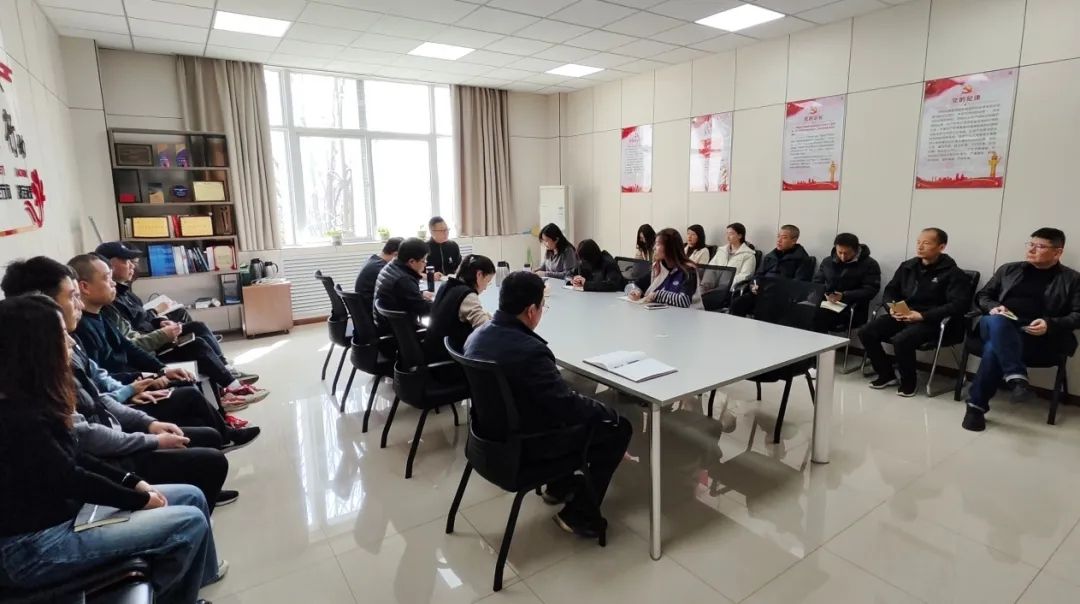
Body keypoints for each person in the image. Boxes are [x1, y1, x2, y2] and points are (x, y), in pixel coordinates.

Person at [0, 295, 224, 604]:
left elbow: (75, 456)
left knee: (191, 495)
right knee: (189, 522)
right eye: (61, 335)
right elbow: (69, 477)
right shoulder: (15, 416)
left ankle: (199, 584)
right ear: (34, 348)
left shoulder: (37, 398)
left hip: (68, 513)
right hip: (33, 546)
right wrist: (136, 499)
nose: (71, 341)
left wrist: (134, 483)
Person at [0, 256, 259, 451]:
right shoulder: (50, 357)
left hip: (124, 394)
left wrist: (156, 373)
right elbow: (91, 414)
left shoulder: (89, 324)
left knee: (190, 373)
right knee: (191, 392)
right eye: (72, 296)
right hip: (118, 412)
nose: (78, 304)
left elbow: (113, 366)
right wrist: (135, 388)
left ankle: (220, 430)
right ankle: (218, 434)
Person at [464, 271, 631, 538]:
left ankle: (559, 485)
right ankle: (580, 515)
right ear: (531, 310)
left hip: (487, 441)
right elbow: (566, 406)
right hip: (523, 448)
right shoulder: (530, 351)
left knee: (560, 406)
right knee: (618, 428)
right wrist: (608, 413)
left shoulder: (476, 337)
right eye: (543, 306)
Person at [68, 255, 265, 410]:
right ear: (84, 287)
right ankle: (225, 403)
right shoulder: (86, 326)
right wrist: (150, 374)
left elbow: (129, 345)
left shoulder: (103, 313)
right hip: (131, 377)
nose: (113, 283)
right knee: (194, 358)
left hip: (140, 364)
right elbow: (106, 374)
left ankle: (225, 393)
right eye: (107, 278)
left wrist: (162, 368)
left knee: (196, 334)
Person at [962, 228, 1080, 432]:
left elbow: (1078, 314)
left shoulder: (1073, 279)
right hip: (995, 323)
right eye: (1030, 244)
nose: (1031, 250)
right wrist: (993, 307)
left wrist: (1050, 324)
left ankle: (976, 407)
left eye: (1040, 246)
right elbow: (982, 296)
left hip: (1035, 335)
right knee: (998, 322)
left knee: (993, 348)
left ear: (1057, 252)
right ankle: (1015, 374)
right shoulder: (1008, 269)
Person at [95, 241, 256, 385]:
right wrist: (163, 334)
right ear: (110, 265)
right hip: (150, 346)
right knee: (197, 344)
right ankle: (231, 385)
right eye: (126, 261)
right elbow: (132, 341)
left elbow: (142, 317)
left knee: (197, 327)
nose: (132, 266)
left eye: (132, 262)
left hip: (153, 335)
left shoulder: (126, 293)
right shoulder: (109, 304)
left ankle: (226, 368)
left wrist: (159, 322)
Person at [859, 228, 970, 397]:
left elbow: (958, 305)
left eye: (926, 243)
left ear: (941, 247)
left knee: (902, 340)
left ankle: (909, 382)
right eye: (918, 242)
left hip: (932, 320)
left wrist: (923, 316)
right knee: (866, 331)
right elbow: (891, 290)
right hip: (904, 313)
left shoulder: (953, 274)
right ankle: (886, 374)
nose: (920, 246)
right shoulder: (908, 267)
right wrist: (892, 308)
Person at [728, 224, 813, 317]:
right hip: (761, 292)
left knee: (766, 308)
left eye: (784, 237)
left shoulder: (802, 259)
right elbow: (757, 275)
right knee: (737, 304)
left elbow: (799, 284)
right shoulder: (770, 256)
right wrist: (754, 286)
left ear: (794, 240)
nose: (779, 240)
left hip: (781, 297)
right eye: (778, 236)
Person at [425, 255, 495, 362]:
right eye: (488, 281)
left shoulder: (447, 285)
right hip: (451, 360)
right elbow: (486, 330)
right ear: (479, 275)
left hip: (433, 352)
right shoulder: (467, 295)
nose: (486, 287)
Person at [812, 232, 882, 329]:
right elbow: (817, 283)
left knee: (817, 317)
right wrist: (825, 294)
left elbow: (870, 290)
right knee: (803, 311)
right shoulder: (828, 262)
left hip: (852, 307)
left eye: (846, 253)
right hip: (827, 302)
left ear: (856, 250)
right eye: (839, 252)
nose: (843, 257)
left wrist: (844, 295)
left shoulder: (870, 265)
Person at [627, 228, 698, 308]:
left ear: (669, 248)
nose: (654, 248)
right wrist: (636, 291)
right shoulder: (659, 268)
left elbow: (684, 301)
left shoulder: (688, 270)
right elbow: (635, 285)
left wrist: (656, 295)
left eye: (657, 244)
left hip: (687, 314)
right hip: (663, 314)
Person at [374, 237, 434, 330]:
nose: (425, 263)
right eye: (423, 260)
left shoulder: (391, 265)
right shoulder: (404, 280)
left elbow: (402, 294)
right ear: (411, 261)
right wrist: (443, 303)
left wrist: (420, 294)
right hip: (397, 331)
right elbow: (424, 310)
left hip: (385, 323)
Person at [356, 237, 403, 318]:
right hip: (375, 314)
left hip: (365, 310)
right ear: (395, 254)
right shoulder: (381, 268)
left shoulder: (374, 260)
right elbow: (399, 289)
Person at [711, 222, 757, 289]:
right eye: (727, 233)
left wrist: (725, 284)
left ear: (740, 236)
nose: (727, 237)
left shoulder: (748, 255)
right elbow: (711, 267)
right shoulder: (721, 250)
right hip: (713, 285)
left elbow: (744, 276)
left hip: (729, 288)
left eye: (731, 234)